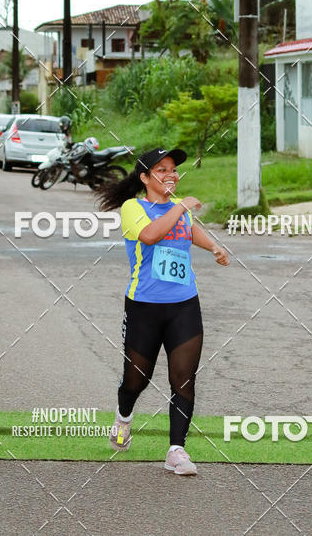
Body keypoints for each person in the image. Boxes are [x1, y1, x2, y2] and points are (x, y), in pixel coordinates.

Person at [97, 147, 229, 476]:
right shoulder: (133, 208)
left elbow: (187, 228)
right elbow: (151, 235)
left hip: (184, 304)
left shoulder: (177, 211)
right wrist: (181, 205)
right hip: (144, 306)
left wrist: (212, 245)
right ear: (144, 178)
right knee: (135, 381)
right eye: (162, 169)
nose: (170, 174)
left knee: (183, 379)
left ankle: (176, 451)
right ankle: (123, 418)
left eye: (173, 169)